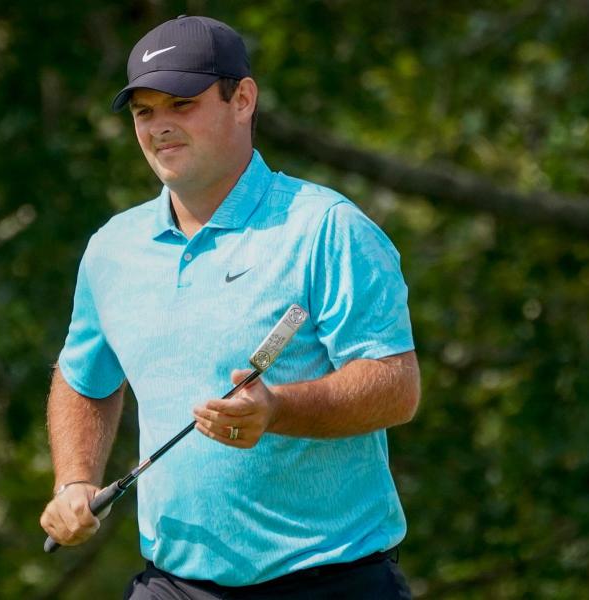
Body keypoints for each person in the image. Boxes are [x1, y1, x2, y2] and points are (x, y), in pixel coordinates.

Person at [40, 15, 420, 599]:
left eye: (181, 104)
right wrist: (73, 481)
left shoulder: (326, 228)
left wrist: (278, 409)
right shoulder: (112, 249)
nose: (160, 127)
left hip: (331, 580)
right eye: (144, 112)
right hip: (174, 585)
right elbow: (83, 378)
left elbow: (395, 387)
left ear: (242, 99)